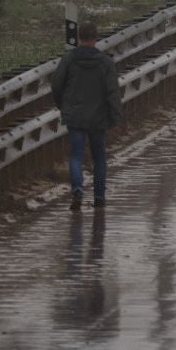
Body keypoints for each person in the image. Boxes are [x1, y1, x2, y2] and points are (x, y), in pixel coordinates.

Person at [51, 19, 122, 208]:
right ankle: (99, 197)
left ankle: (77, 189)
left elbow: (56, 85)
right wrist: (115, 117)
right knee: (99, 157)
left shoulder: (68, 59)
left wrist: (63, 106)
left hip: (75, 115)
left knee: (76, 155)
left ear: (79, 37)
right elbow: (112, 91)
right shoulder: (105, 62)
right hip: (98, 117)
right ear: (96, 38)